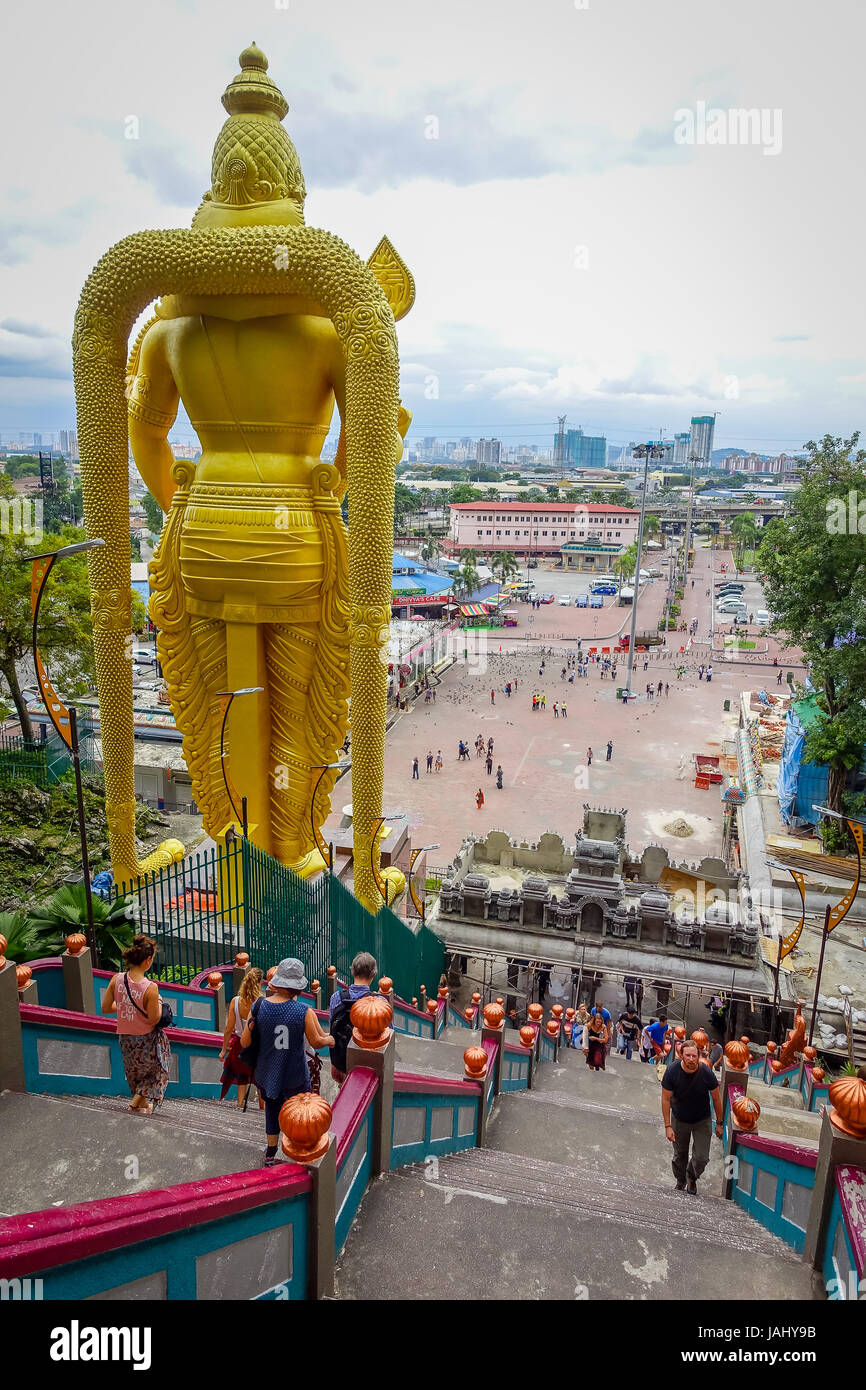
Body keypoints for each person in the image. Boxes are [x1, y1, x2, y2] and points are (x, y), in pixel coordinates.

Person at [241, 957, 334, 1166]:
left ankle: (271, 1152)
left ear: (276, 983)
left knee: (272, 1110)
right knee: (299, 1112)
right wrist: (331, 1039)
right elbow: (317, 1042)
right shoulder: (304, 1011)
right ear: (299, 988)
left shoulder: (258, 1006)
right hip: (294, 1074)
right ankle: (297, 1144)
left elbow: (245, 1041)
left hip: (267, 1072)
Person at [101, 934, 170, 1116]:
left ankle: (140, 1106)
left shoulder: (117, 979)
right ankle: (133, 1106)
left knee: (136, 1075)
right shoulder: (151, 988)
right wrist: (160, 1003)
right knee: (155, 1074)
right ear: (148, 960)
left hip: (125, 1038)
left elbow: (106, 1007)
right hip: (145, 1040)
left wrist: (126, 1006)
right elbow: (154, 1019)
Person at [661, 1038, 724, 1194]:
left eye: (694, 1056)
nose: (691, 1059)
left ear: (698, 1056)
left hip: (702, 1120)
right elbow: (665, 1099)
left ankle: (692, 1177)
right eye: (687, 1055)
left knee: (702, 1157)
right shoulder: (672, 1071)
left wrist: (720, 1123)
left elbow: (716, 1098)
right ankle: (681, 1180)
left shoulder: (706, 1073)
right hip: (679, 1119)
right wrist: (668, 1126)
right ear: (681, 1055)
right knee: (679, 1155)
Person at [219, 965, 265, 1109]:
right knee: (260, 1079)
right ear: (260, 983)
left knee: (241, 1077)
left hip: (239, 1044)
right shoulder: (262, 1003)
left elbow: (228, 1029)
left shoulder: (235, 1001)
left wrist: (223, 1049)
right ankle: (262, 1108)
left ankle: (239, 1105)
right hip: (257, 1047)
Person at [328, 951, 377, 1087]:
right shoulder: (378, 1002)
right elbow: (388, 1034)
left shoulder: (336, 998)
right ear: (373, 974)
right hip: (367, 1066)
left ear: (352, 971)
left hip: (341, 1061)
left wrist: (334, 1062)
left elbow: (332, 1028)